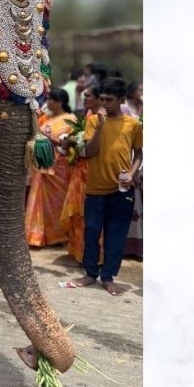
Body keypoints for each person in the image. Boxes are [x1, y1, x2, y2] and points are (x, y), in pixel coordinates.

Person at [69, 76, 142, 295]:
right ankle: (90, 274)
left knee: (116, 235)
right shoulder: (93, 121)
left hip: (122, 190)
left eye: (109, 100)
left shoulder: (133, 124)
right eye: (101, 99)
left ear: (121, 99)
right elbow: (89, 152)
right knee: (91, 232)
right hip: (95, 188)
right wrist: (100, 127)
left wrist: (132, 172)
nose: (103, 104)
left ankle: (108, 277)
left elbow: (138, 152)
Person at [25, 89, 81, 247]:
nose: (47, 102)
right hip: (42, 166)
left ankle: (59, 236)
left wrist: (50, 139)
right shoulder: (47, 118)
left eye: (50, 100)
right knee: (40, 201)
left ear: (60, 102)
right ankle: (39, 235)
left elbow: (73, 143)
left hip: (60, 169)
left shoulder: (70, 119)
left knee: (58, 202)